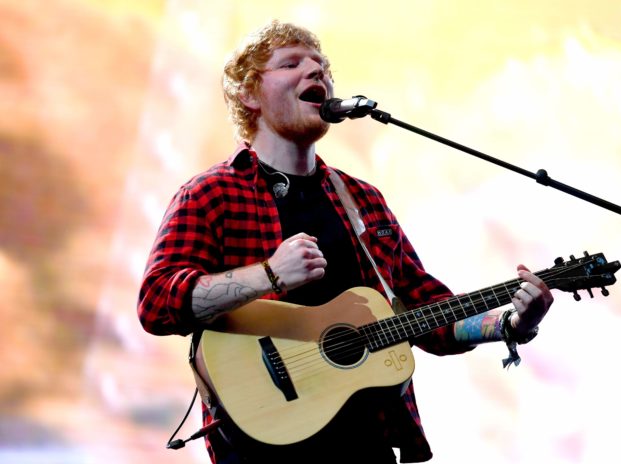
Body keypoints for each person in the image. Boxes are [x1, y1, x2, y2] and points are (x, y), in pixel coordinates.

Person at [137, 20, 554, 464]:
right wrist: (270, 274)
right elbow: (158, 303)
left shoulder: (362, 200)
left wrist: (511, 325)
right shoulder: (212, 193)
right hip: (261, 448)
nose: (316, 72)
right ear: (249, 94)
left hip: (367, 445)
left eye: (322, 66)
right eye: (292, 64)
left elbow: (426, 312)